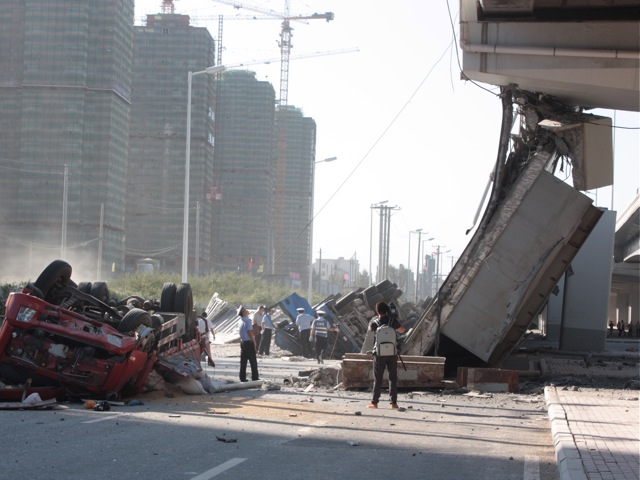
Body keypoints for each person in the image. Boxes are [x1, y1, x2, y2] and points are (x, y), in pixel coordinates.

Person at [367, 301, 405, 409]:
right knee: (392, 378)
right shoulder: (392, 321)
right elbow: (402, 330)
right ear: (387, 310)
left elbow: (370, 330)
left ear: (377, 310)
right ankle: (394, 403)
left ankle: (374, 403)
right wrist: (395, 318)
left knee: (378, 378)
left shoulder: (375, 322)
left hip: (379, 354)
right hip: (392, 353)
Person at [237, 306, 259, 382]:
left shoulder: (240, 321)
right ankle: (255, 377)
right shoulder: (248, 321)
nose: (248, 311)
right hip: (248, 343)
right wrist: (254, 342)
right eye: (246, 310)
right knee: (253, 361)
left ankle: (242, 378)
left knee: (243, 361)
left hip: (243, 342)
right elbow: (249, 332)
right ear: (243, 312)